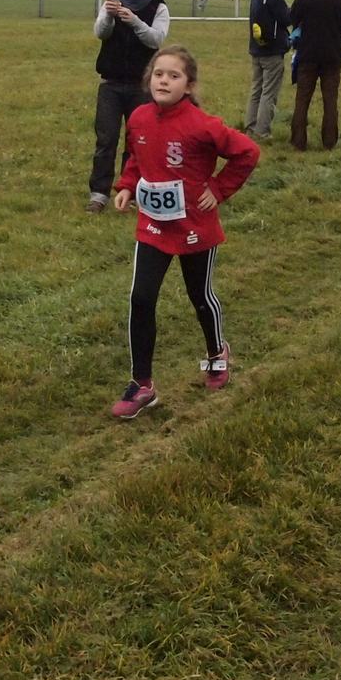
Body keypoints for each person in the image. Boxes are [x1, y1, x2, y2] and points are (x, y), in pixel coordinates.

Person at [110, 45, 260, 417]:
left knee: (200, 296)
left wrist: (219, 189)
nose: (163, 80)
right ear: (149, 79)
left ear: (189, 86)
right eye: (158, 74)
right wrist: (127, 186)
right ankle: (142, 385)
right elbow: (136, 156)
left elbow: (247, 152)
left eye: (173, 76)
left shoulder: (203, 124)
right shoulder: (139, 118)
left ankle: (216, 353)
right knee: (141, 298)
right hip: (153, 225)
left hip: (195, 225)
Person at [88, 0, 171, 211]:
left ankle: (131, 192)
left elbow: (156, 40)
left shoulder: (158, 7)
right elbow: (99, 33)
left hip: (141, 86)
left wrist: (134, 21)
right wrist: (109, 16)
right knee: (106, 140)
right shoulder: (112, 2)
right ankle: (98, 195)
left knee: (137, 142)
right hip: (110, 83)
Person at [288, 0, 341, 150]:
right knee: (330, 100)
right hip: (332, 55)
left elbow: (294, 21)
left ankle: (298, 141)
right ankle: (329, 141)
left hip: (307, 54)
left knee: (302, 99)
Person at [243, 0, 291, 140]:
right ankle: (262, 132)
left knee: (256, 90)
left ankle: (250, 126)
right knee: (269, 93)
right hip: (272, 50)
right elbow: (285, 18)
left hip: (257, 47)